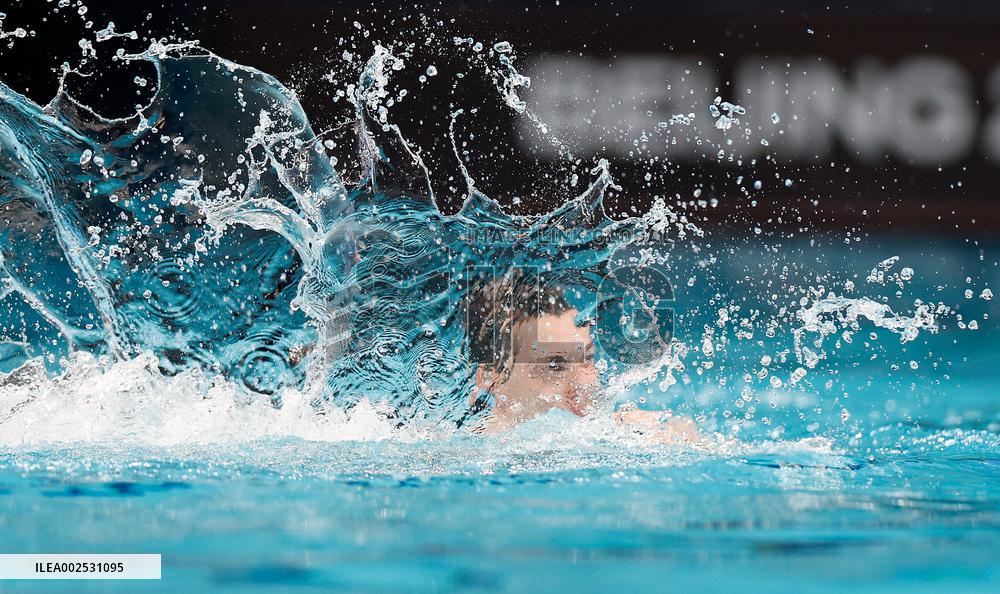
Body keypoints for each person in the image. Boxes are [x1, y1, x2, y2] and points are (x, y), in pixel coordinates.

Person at [464, 271, 698, 443]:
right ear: (489, 378)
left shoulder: (616, 433)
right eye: (555, 366)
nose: (585, 386)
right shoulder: (473, 451)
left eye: (587, 360)